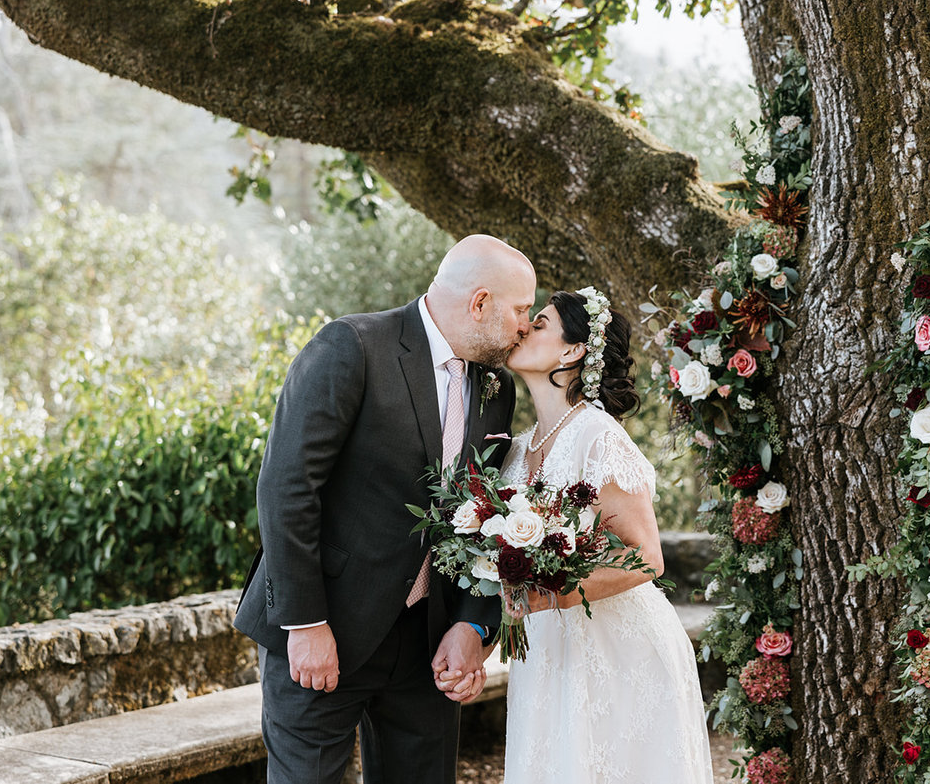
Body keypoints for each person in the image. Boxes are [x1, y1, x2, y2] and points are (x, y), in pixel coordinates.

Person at [233, 234, 536, 784]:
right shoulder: (351, 346)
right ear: (480, 302)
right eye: (521, 310)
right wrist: (305, 623)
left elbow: (487, 514)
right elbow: (287, 488)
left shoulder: (497, 390)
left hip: (428, 645)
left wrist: (473, 622)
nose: (526, 325)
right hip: (326, 628)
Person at [495, 288, 714, 783]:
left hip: (617, 650)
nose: (525, 327)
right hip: (548, 650)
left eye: (542, 322)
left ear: (573, 352)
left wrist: (548, 597)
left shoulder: (599, 436)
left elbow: (647, 557)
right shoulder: (517, 449)